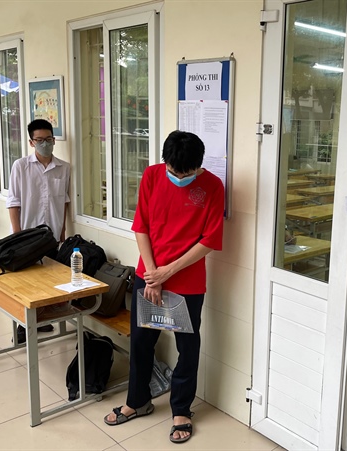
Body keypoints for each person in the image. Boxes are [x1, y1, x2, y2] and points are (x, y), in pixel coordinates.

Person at [103, 131, 224, 444]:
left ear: (198, 165)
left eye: (186, 174)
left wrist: (167, 272)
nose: (179, 178)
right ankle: (137, 401)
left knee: (188, 346)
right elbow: (141, 226)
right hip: (149, 275)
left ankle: (181, 410)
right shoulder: (152, 175)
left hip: (187, 280)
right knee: (142, 341)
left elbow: (210, 239)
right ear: (165, 162)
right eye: (173, 171)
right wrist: (153, 275)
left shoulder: (213, 186)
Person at [6, 119, 70, 342]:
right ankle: (22, 326)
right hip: (27, 235)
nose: (45, 144)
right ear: (31, 142)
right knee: (26, 282)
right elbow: (13, 202)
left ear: (54, 140)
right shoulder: (20, 166)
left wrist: (62, 231)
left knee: (48, 279)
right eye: (40, 140)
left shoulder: (63, 168)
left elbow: (64, 202)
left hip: (51, 234)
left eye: (48, 139)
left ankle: (41, 319)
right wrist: (17, 235)